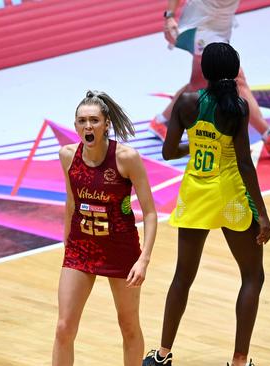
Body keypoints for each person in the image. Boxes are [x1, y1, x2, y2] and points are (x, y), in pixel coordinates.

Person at [142, 43, 270, 366]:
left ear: (205, 72)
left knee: (182, 276)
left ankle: (162, 355)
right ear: (234, 70)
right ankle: (239, 361)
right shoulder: (237, 107)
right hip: (229, 196)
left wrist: (197, 144)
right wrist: (264, 215)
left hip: (195, 195)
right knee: (252, 276)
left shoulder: (185, 102)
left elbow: (169, 152)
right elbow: (243, 163)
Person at [52, 91, 158, 366]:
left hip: (121, 250)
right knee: (64, 327)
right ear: (75, 126)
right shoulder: (67, 156)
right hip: (81, 248)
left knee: (128, 326)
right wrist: (67, 241)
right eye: (82, 121)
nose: (88, 126)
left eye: (94, 121)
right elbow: (71, 200)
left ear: (106, 124)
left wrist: (144, 259)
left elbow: (149, 212)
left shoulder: (126, 158)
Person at [149, 0, 270, 155]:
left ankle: (160, 121)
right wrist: (169, 16)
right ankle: (269, 136)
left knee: (198, 83)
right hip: (201, 26)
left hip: (221, 27)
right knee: (236, 79)